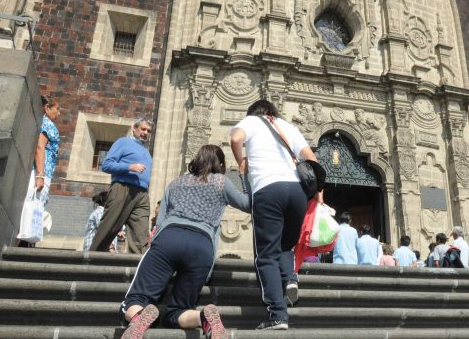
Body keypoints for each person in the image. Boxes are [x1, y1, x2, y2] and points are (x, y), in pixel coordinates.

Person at [119, 145, 250, 339]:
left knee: (136, 299)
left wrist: (155, 247)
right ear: (220, 164)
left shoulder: (176, 182)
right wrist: (244, 177)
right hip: (201, 246)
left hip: (169, 238)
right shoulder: (222, 182)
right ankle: (203, 317)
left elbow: (161, 221)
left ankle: (139, 317)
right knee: (176, 311)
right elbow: (249, 204)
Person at [230, 99, 320, 330]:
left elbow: (235, 139)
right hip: (297, 191)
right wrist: (319, 194)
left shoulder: (251, 121)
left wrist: (241, 160)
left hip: (269, 189)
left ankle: (278, 315)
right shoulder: (287, 126)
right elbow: (312, 159)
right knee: (285, 246)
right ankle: (290, 279)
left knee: (266, 254)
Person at [90, 118, 154, 254]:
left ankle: (135, 267)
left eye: (148, 131)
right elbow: (107, 165)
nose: (145, 133)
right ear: (134, 128)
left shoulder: (146, 151)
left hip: (142, 194)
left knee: (141, 233)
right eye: (143, 129)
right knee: (110, 225)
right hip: (123, 187)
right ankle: (92, 259)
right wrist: (129, 167)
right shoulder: (123, 142)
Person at [17, 95, 61, 247]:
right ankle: (25, 239)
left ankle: (27, 239)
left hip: (45, 170)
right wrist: (40, 175)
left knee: (38, 203)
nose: (59, 113)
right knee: (34, 201)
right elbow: (40, 147)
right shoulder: (47, 124)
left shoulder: (47, 123)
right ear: (47, 108)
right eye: (57, 109)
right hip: (41, 170)